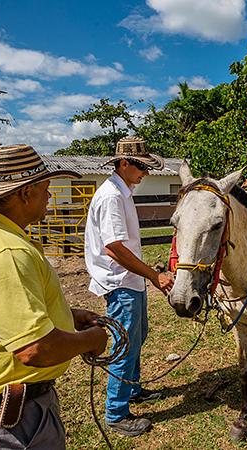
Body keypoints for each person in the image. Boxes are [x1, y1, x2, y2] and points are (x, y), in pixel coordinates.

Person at [0, 144, 108, 450]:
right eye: (45, 188)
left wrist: (63, 315)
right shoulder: (5, 252)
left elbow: (5, 316)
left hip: (7, 409)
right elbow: (35, 349)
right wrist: (93, 340)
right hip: (11, 420)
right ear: (25, 193)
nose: (49, 196)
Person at [84, 136, 174, 436]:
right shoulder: (111, 196)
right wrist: (153, 275)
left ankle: (132, 390)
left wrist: (148, 272)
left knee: (137, 336)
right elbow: (114, 248)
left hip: (129, 279)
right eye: (141, 167)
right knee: (125, 344)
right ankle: (116, 413)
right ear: (124, 163)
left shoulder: (121, 191)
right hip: (120, 281)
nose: (145, 173)